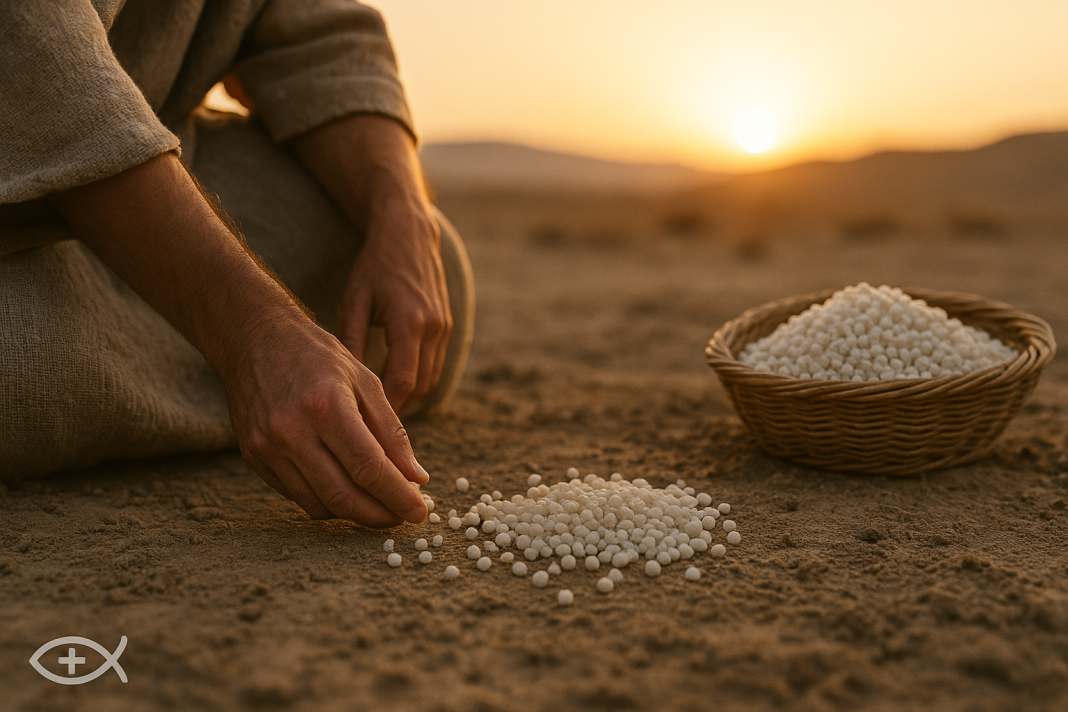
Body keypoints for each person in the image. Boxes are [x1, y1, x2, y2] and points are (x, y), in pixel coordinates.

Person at [0, 0, 475, 529]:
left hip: (154, 153)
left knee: (424, 275)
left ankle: (274, 378)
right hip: (33, 137)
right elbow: (39, 59)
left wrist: (400, 213)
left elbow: (318, 33)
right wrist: (253, 330)